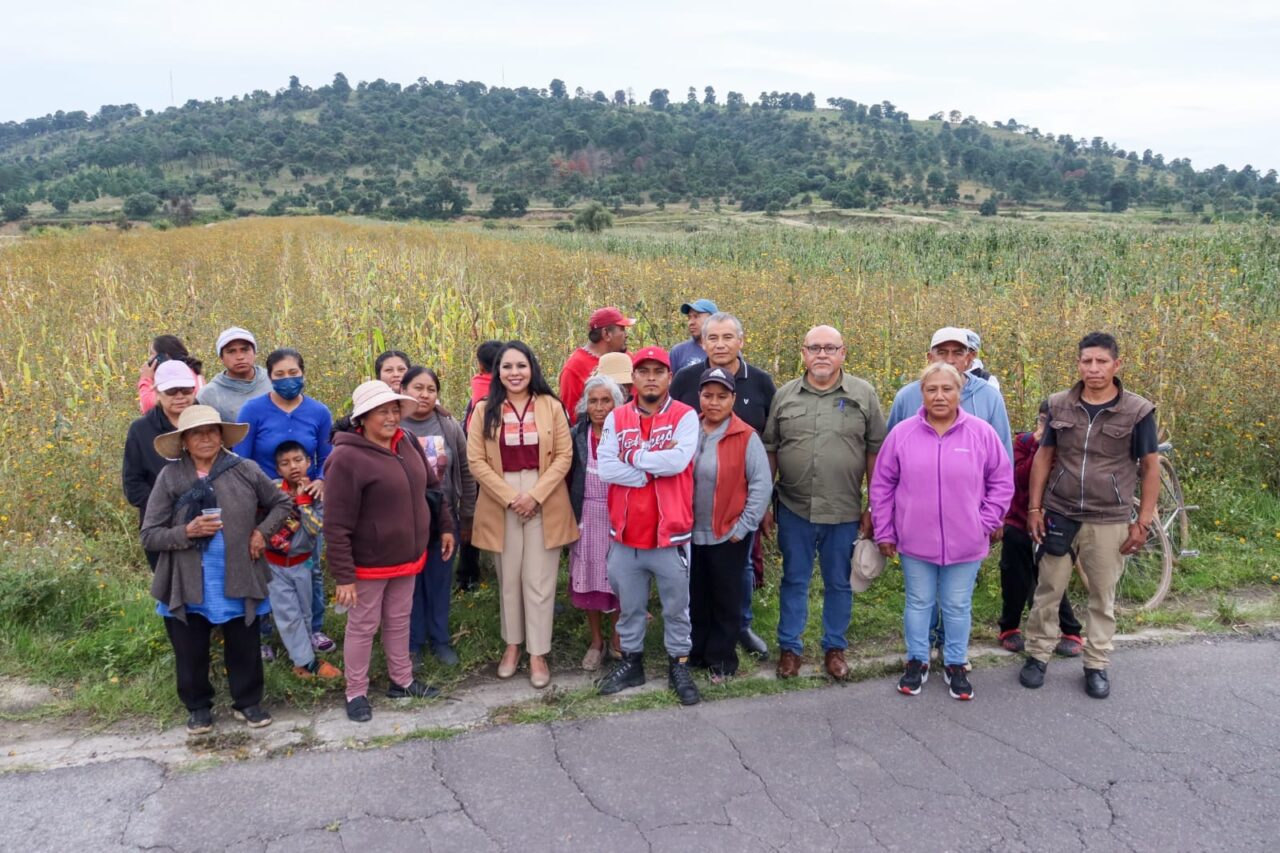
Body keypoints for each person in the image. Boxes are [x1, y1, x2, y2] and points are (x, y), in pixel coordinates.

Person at [1021, 332, 1159, 700]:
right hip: (1060, 512)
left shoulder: (1138, 410)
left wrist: (1142, 521)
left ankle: (1096, 664)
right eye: (1087, 361)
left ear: (1117, 364)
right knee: (1048, 589)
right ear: (1078, 363)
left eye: (1101, 362)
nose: (1093, 369)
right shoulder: (1058, 405)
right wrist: (1034, 508)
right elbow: (1044, 457)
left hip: (1108, 517)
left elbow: (1149, 466)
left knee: (1102, 594)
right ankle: (1037, 656)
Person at [141, 405, 293, 735]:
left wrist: (261, 532)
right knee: (190, 648)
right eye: (197, 432)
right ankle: (198, 707)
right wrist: (186, 532)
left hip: (239, 571)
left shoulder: (245, 469)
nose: (206, 437)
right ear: (184, 440)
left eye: (212, 430)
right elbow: (149, 534)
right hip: (186, 578)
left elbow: (282, 503)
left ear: (222, 435)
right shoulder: (171, 476)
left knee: (244, 644)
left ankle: (247, 702)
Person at [871, 363, 1014, 700]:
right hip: (914, 540)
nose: (939, 396)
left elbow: (1001, 482)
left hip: (966, 541)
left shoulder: (980, 433)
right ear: (922, 393)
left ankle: (955, 662)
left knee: (956, 604)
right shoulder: (902, 433)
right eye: (931, 389)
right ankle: (917, 661)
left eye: (946, 389)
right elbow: (882, 485)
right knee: (919, 602)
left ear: (958, 392)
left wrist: (987, 521)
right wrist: (885, 530)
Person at [325, 381, 454, 723]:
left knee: (399, 621)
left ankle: (402, 680)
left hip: (408, 557)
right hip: (368, 563)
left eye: (395, 409)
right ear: (362, 418)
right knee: (363, 625)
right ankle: (356, 691)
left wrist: (445, 527)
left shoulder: (407, 442)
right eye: (382, 410)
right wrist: (344, 576)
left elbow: (432, 487)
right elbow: (336, 525)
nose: (392, 416)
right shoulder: (346, 457)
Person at [763, 325, 886, 681]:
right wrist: (764, 505)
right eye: (814, 348)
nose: (822, 354)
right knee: (795, 579)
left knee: (838, 582)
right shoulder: (785, 395)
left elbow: (876, 451)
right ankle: (790, 649)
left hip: (843, 509)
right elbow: (771, 448)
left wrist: (874, 505)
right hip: (794, 507)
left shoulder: (863, 394)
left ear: (843, 353)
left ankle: (834, 647)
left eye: (830, 348)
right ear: (802, 353)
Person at [595, 346, 702, 706]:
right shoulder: (617, 417)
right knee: (630, 606)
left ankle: (679, 664)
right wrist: (645, 474)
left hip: (670, 534)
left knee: (676, 607)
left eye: (659, 370)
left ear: (669, 376)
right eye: (644, 371)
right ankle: (633, 663)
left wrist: (635, 457)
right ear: (634, 378)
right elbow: (606, 468)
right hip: (626, 534)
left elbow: (677, 461)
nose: (651, 377)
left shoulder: (686, 416)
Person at [468, 342, 578, 689]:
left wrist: (534, 495)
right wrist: (512, 497)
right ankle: (512, 646)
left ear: (533, 369)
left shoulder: (551, 406)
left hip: (544, 494)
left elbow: (564, 454)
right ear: (497, 372)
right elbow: (476, 461)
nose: (514, 373)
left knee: (540, 581)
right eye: (507, 367)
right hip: (501, 498)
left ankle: (538, 653)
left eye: (521, 365)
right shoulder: (484, 408)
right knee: (509, 579)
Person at [670, 311, 776, 659]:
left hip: (738, 503)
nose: (719, 344)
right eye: (712, 338)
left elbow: (772, 444)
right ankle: (699, 644)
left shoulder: (759, 382)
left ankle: (738, 629)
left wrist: (759, 509)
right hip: (692, 515)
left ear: (740, 341)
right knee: (698, 580)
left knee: (738, 570)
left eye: (727, 337)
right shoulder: (685, 380)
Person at [233, 347, 336, 656]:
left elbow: (326, 453)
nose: (288, 380)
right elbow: (242, 460)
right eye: (279, 375)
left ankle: (313, 628)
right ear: (270, 377)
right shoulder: (253, 411)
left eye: (293, 373)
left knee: (311, 566)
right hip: (266, 505)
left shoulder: (318, 412)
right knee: (265, 568)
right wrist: (264, 492)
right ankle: (264, 635)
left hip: (306, 502)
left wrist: (320, 480)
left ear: (303, 373)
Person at [689, 367, 771, 682]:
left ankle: (721, 659)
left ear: (733, 399)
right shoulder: (687, 429)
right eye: (708, 395)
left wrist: (743, 527)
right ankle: (695, 652)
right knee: (696, 596)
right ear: (699, 396)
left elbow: (761, 485)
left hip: (728, 534)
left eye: (722, 396)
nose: (714, 402)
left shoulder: (746, 436)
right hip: (690, 533)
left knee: (725, 598)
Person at [401, 366, 477, 667]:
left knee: (439, 581)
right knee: (411, 585)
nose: (424, 394)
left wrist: (468, 513)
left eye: (431, 389)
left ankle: (440, 639)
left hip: (444, 520)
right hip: (404, 522)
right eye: (417, 388)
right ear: (404, 390)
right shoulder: (393, 423)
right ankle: (414, 643)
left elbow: (467, 472)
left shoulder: (448, 426)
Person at [997, 401, 1083, 656]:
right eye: (1042, 420)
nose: (1045, 426)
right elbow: (1019, 478)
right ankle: (1009, 628)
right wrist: (1038, 447)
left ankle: (1071, 631)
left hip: (1054, 521)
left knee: (1052, 578)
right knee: (1014, 576)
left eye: (1051, 422)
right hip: (1018, 520)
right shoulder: (1023, 443)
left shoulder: (1070, 448)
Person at [265, 441, 342, 681]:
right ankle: (305, 663)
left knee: (305, 610)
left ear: (309, 462)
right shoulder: (272, 490)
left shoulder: (317, 493)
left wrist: (303, 503)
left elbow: (315, 528)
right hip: (274, 563)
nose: (293, 467)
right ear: (278, 470)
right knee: (288, 613)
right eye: (285, 463)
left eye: (298, 460)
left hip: (303, 563)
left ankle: (303, 649)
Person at [567, 376, 626, 670]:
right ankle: (596, 641)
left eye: (606, 401)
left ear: (617, 404)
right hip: (587, 515)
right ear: (585, 405)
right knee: (589, 576)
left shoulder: (626, 433)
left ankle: (618, 635)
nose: (600, 407)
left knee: (618, 577)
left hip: (618, 516)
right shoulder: (577, 434)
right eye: (593, 401)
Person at [886, 326, 1012, 459]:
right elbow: (889, 455)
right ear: (930, 357)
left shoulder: (989, 397)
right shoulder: (907, 397)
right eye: (942, 352)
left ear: (968, 359)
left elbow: (1003, 458)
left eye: (958, 353)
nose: (950, 360)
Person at [124, 361, 199, 571]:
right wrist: (165, 509)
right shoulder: (141, 430)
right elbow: (133, 484)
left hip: (207, 522)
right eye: (171, 391)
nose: (180, 396)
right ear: (157, 392)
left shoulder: (210, 421)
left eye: (186, 390)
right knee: (170, 590)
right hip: (161, 528)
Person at [458, 340, 504, 591]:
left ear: (480, 364)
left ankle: (468, 574)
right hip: (493, 463)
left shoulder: (478, 385)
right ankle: (478, 572)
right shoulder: (499, 390)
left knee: (473, 516)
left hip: (475, 462)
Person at [559, 306, 635, 424]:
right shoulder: (574, 368)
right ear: (606, 334)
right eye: (622, 329)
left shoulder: (626, 358)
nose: (626, 335)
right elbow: (571, 417)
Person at [197, 327, 272, 422]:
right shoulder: (209, 396)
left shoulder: (274, 380)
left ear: (254, 352)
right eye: (231, 351)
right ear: (221, 358)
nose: (240, 357)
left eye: (245, 350)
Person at [137, 334, 205, 414]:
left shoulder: (176, 374)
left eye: (152, 354)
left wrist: (145, 379)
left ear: (164, 357)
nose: (149, 359)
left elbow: (149, 407)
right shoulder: (192, 371)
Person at [669, 298, 718, 372]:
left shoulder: (726, 350)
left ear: (713, 319)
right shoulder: (678, 352)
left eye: (696, 316)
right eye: (689, 317)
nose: (691, 322)